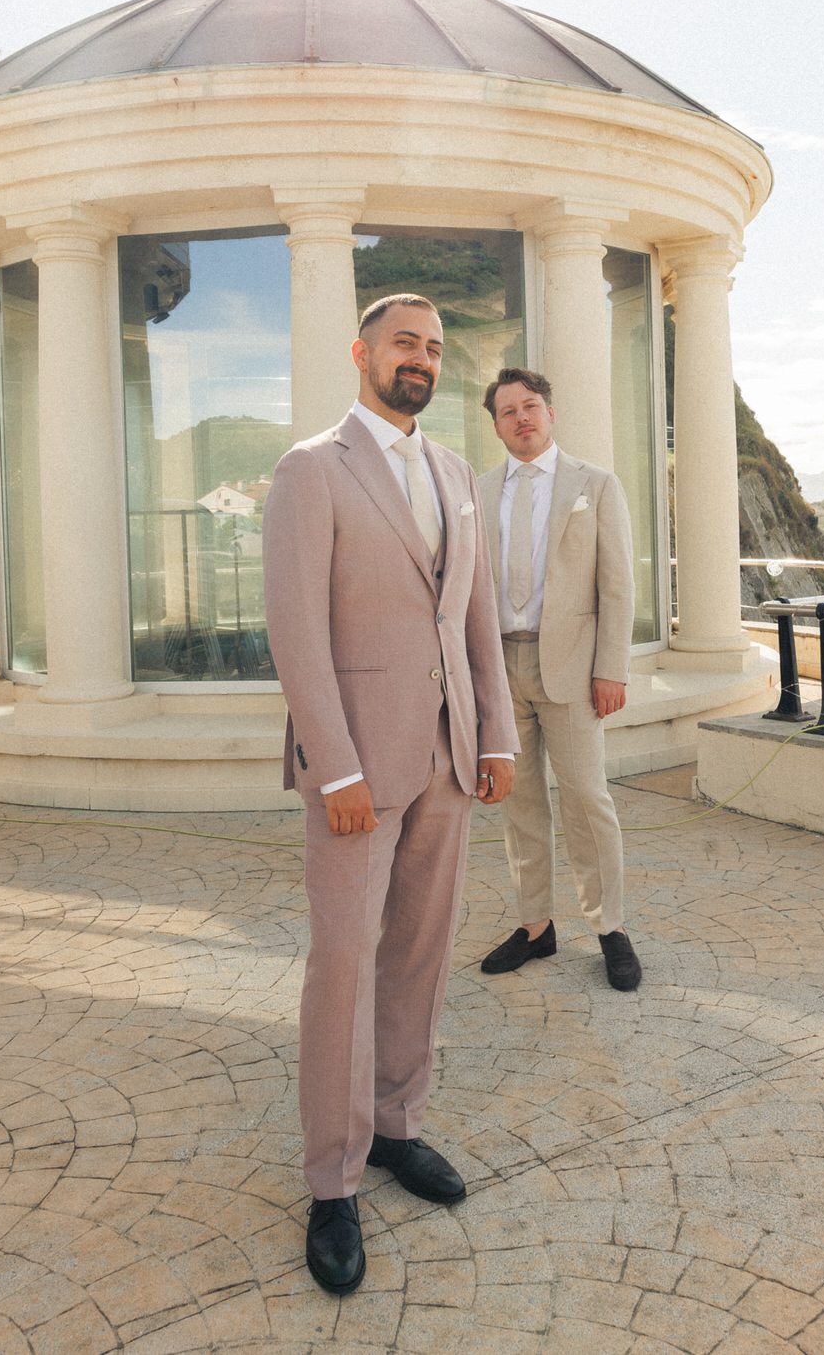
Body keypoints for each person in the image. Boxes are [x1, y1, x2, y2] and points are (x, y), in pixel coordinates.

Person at [262, 294, 517, 1296]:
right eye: (405, 342)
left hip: (450, 759)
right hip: (358, 772)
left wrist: (496, 735)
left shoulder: (455, 471)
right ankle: (331, 1180)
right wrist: (339, 768)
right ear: (362, 352)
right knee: (342, 962)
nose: (422, 358)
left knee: (419, 952)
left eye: (436, 348)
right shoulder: (310, 469)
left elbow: (479, 621)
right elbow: (297, 633)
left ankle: (397, 1128)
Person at [477, 366, 641, 993]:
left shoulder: (594, 485)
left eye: (531, 406)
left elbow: (618, 585)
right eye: (508, 411)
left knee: (587, 799)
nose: (521, 417)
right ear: (495, 426)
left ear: (550, 412)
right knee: (518, 802)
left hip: (573, 668)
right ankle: (534, 925)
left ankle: (610, 927)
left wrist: (611, 668)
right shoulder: (480, 488)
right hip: (500, 665)